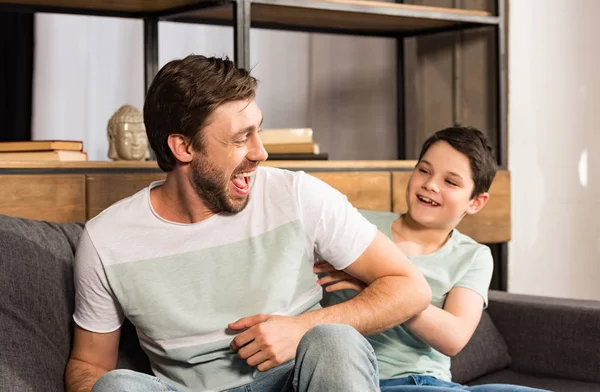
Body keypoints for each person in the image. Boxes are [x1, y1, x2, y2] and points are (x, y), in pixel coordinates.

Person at [64, 55, 432, 392]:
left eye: (258, 130)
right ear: (183, 147)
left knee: (333, 340)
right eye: (242, 138)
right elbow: (89, 364)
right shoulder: (107, 240)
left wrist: (300, 328)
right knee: (116, 387)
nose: (260, 152)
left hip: (294, 381)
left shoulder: (297, 194)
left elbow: (411, 288)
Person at [316, 126, 548, 392]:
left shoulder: (473, 256)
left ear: (476, 202)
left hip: (439, 384)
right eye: (424, 170)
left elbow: (453, 337)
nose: (430, 184)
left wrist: (381, 289)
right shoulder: (360, 225)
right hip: (371, 383)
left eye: (450, 182)